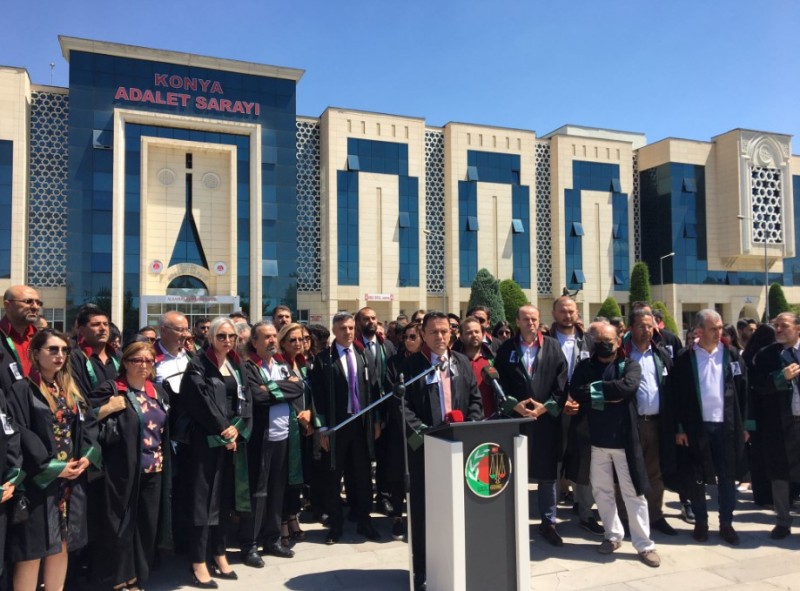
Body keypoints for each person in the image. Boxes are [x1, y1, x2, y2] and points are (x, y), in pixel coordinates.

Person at [7, 329, 101, 591]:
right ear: (36, 354)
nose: (60, 355)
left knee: (62, 543)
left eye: (64, 350)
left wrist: (87, 457)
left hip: (70, 479)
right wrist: (54, 468)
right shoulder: (21, 390)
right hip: (39, 480)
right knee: (32, 550)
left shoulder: (70, 389)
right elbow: (20, 432)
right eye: (53, 349)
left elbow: (88, 425)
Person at [398, 312, 483, 590]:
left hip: (458, 449)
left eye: (445, 331)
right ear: (423, 334)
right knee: (424, 511)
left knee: (457, 508)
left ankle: (456, 563)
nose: (440, 336)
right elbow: (403, 407)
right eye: (434, 332)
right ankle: (422, 569)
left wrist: (470, 427)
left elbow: (474, 399)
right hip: (426, 449)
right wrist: (424, 433)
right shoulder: (412, 366)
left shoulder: (461, 362)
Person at [570, 323, 660, 567]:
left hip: (624, 441)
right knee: (602, 492)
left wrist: (595, 392)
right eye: (599, 340)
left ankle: (644, 545)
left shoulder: (629, 365)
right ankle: (612, 535)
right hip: (595, 441)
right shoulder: (585, 367)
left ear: (618, 342)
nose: (604, 345)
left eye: (608, 340)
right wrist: (611, 394)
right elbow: (576, 391)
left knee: (634, 493)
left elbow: (628, 387)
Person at [93, 341, 171, 590]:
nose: (143, 365)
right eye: (137, 360)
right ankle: (117, 578)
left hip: (154, 468)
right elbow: (83, 417)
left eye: (148, 360)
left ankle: (137, 576)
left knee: (146, 525)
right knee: (120, 525)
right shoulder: (112, 389)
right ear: (125, 362)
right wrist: (107, 408)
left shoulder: (157, 392)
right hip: (122, 470)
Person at [179, 317, 252, 587]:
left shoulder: (236, 364)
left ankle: (219, 553)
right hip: (205, 443)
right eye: (221, 336)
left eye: (232, 336)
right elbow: (200, 402)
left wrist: (238, 429)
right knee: (203, 503)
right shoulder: (197, 365)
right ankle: (198, 560)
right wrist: (224, 430)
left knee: (224, 500)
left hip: (232, 443)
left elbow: (246, 400)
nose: (227, 341)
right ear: (210, 338)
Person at [495, 305, 568, 546]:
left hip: (544, 420)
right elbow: (499, 383)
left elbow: (561, 383)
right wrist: (513, 405)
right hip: (515, 421)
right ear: (517, 321)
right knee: (513, 472)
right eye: (525, 319)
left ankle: (548, 523)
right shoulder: (506, 348)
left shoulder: (553, 347)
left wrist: (544, 407)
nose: (531, 323)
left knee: (547, 475)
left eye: (534, 319)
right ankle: (512, 521)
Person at [673, 309, 748, 545]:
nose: (719, 332)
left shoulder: (731, 354)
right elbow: (676, 395)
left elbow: (743, 388)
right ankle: (701, 522)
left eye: (720, 327)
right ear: (699, 331)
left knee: (727, 476)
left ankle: (726, 523)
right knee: (696, 476)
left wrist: (746, 425)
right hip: (696, 427)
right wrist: (679, 428)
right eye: (713, 328)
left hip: (727, 426)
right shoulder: (685, 358)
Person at [309, 312, 380, 545]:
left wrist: (375, 420)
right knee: (333, 475)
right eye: (342, 328)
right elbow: (317, 396)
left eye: (350, 328)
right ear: (334, 331)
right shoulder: (324, 359)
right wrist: (322, 428)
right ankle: (335, 524)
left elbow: (374, 389)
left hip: (360, 425)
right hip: (336, 426)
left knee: (362, 474)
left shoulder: (363, 355)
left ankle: (365, 521)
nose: (348, 332)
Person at [238, 322, 304, 567]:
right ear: (254, 342)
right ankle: (249, 545)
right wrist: (282, 390)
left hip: (283, 437)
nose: (272, 340)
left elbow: (298, 388)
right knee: (258, 493)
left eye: (274, 336)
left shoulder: (282, 365)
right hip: (260, 439)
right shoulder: (248, 367)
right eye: (266, 337)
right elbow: (258, 396)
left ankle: (272, 539)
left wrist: (272, 389)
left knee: (277, 490)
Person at [622, 309, 678, 536]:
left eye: (650, 326)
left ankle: (655, 515)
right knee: (627, 473)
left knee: (655, 473)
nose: (647, 330)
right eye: (641, 326)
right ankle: (626, 519)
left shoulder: (660, 354)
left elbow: (670, 388)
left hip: (656, 423)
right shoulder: (623, 353)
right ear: (631, 328)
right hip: (630, 424)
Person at [550, 295, 598, 533]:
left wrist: (580, 398)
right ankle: (550, 516)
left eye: (571, 311)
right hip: (554, 410)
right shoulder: (546, 341)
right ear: (554, 314)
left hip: (583, 410)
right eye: (562, 311)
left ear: (577, 313)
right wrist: (561, 401)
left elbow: (597, 375)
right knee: (554, 461)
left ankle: (585, 511)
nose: (567, 315)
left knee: (584, 461)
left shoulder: (589, 341)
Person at [750, 312, 800, 538]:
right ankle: (782, 521)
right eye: (776, 325)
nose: (778, 329)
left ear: (798, 329)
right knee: (780, 474)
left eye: (784, 325)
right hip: (780, 423)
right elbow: (757, 385)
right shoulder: (766, 355)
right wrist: (780, 377)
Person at [274, 323, 314, 548]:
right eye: (293, 340)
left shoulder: (303, 364)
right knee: (284, 477)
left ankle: (293, 516)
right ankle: (282, 521)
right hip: (286, 427)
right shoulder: (278, 365)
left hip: (304, 427)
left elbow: (312, 394)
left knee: (297, 479)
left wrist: (310, 414)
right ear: (282, 342)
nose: (298, 344)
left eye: (301, 339)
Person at [355, 307, 397, 516]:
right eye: (366, 319)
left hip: (385, 410)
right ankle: (360, 501)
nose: (371, 321)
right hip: (363, 410)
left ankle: (383, 497)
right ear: (358, 323)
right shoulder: (354, 346)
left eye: (373, 318)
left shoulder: (386, 346)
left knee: (385, 457)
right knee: (361, 459)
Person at [741, 323, 777, 507]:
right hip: (764, 412)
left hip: (752, 413)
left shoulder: (749, 354)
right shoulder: (765, 356)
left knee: (757, 456)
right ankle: (767, 495)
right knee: (766, 456)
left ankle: (761, 494)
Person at [452, 316, 496, 417]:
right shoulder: (453, 362)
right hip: (465, 421)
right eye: (469, 333)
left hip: (491, 420)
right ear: (461, 337)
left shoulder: (493, 360)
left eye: (477, 332)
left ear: (483, 334)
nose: (474, 335)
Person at [1, 285, 43, 384]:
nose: (35, 307)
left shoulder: (41, 339)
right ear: (7, 305)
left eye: (38, 303)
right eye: (28, 301)